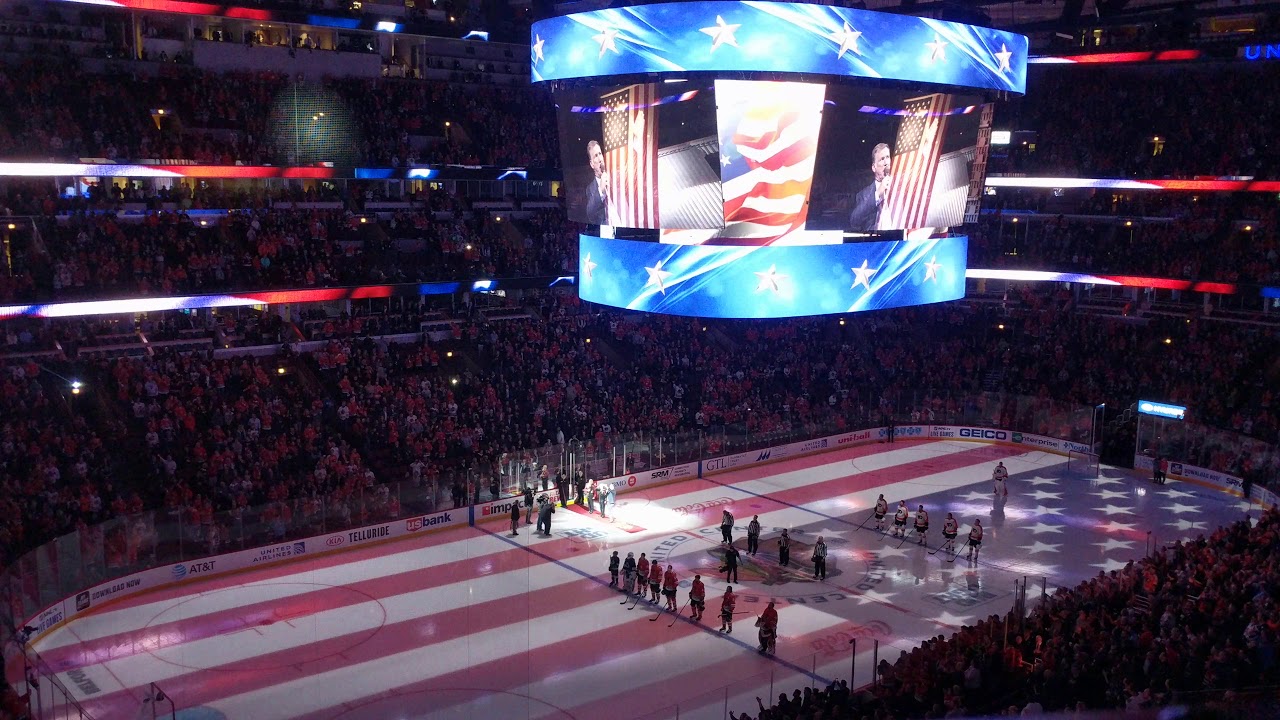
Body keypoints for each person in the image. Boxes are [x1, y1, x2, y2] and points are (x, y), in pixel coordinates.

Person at [848, 142, 892, 232]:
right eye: (881, 159)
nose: (886, 162)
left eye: (887, 157)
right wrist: (878, 194)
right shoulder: (863, 195)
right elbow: (854, 221)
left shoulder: (901, 186)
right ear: (874, 167)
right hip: (876, 241)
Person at [583, 140, 614, 225]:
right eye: (596, 156)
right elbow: (590, 213)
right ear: (592, 164)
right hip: (606, 232)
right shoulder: (590, 189)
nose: (600, 159)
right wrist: (601, 190)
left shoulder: (615, 177)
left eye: (600, 154)